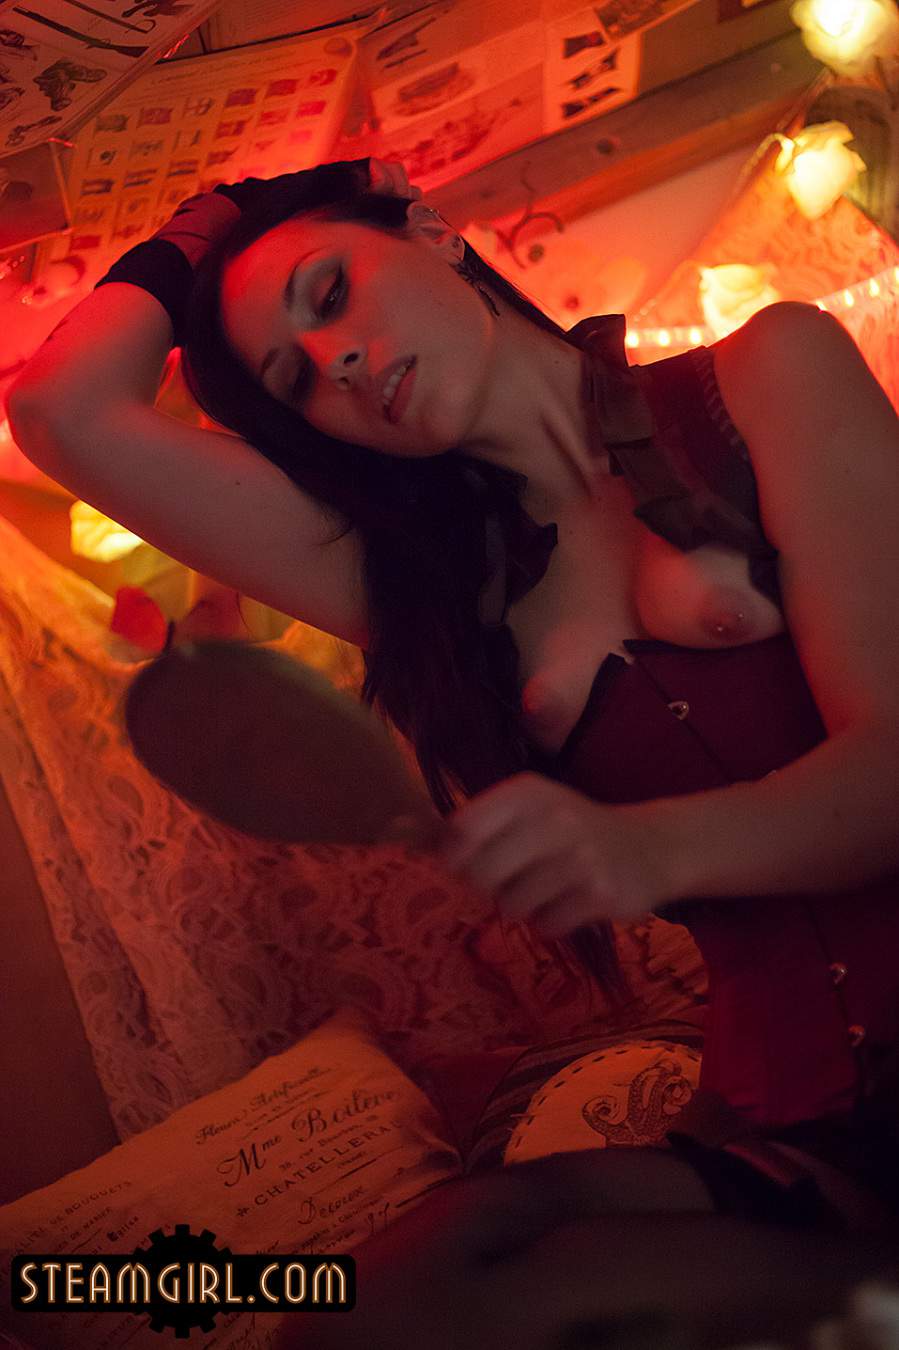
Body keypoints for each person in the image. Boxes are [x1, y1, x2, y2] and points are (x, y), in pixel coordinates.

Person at [7, 156, 899, 1333]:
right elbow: (60, 411)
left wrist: (642, 849)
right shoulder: (425, 592)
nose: (332, 362)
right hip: (797, 1119)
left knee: (539, 1291)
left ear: (429, 228)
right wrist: (194, 231)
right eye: (295, 378)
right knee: (387, 1293)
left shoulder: (762, 373)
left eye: (330, 293)